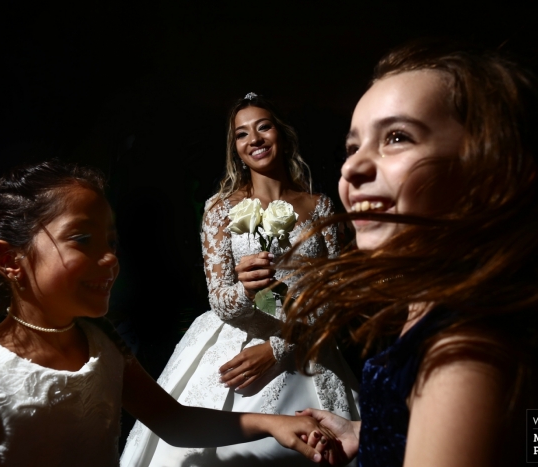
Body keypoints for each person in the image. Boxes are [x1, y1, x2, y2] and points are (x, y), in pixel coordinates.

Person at [282, 41, 538, 467]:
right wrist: (372, 431)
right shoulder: (460, 316)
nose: (351, 169)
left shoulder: (464, 357)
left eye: (396, 138)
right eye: (353, 146)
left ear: (488, 172)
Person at [0, 160, 336, 467]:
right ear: (9, 261)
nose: (110, 258)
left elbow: (177, 423)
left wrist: (273, 424)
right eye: (83, 239)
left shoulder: (101, 345)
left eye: (110, 241)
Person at [121, 93, 360, 466]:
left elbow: (332, 300)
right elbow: (220, 299)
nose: (255, 139)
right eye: (242, 134)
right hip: (235, 340)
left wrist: (278, 348)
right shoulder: (221, 209)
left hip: (308, 347)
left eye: (263, 127)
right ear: (236, 148)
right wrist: (249, 290)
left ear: (282, 135)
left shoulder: (320, 207)